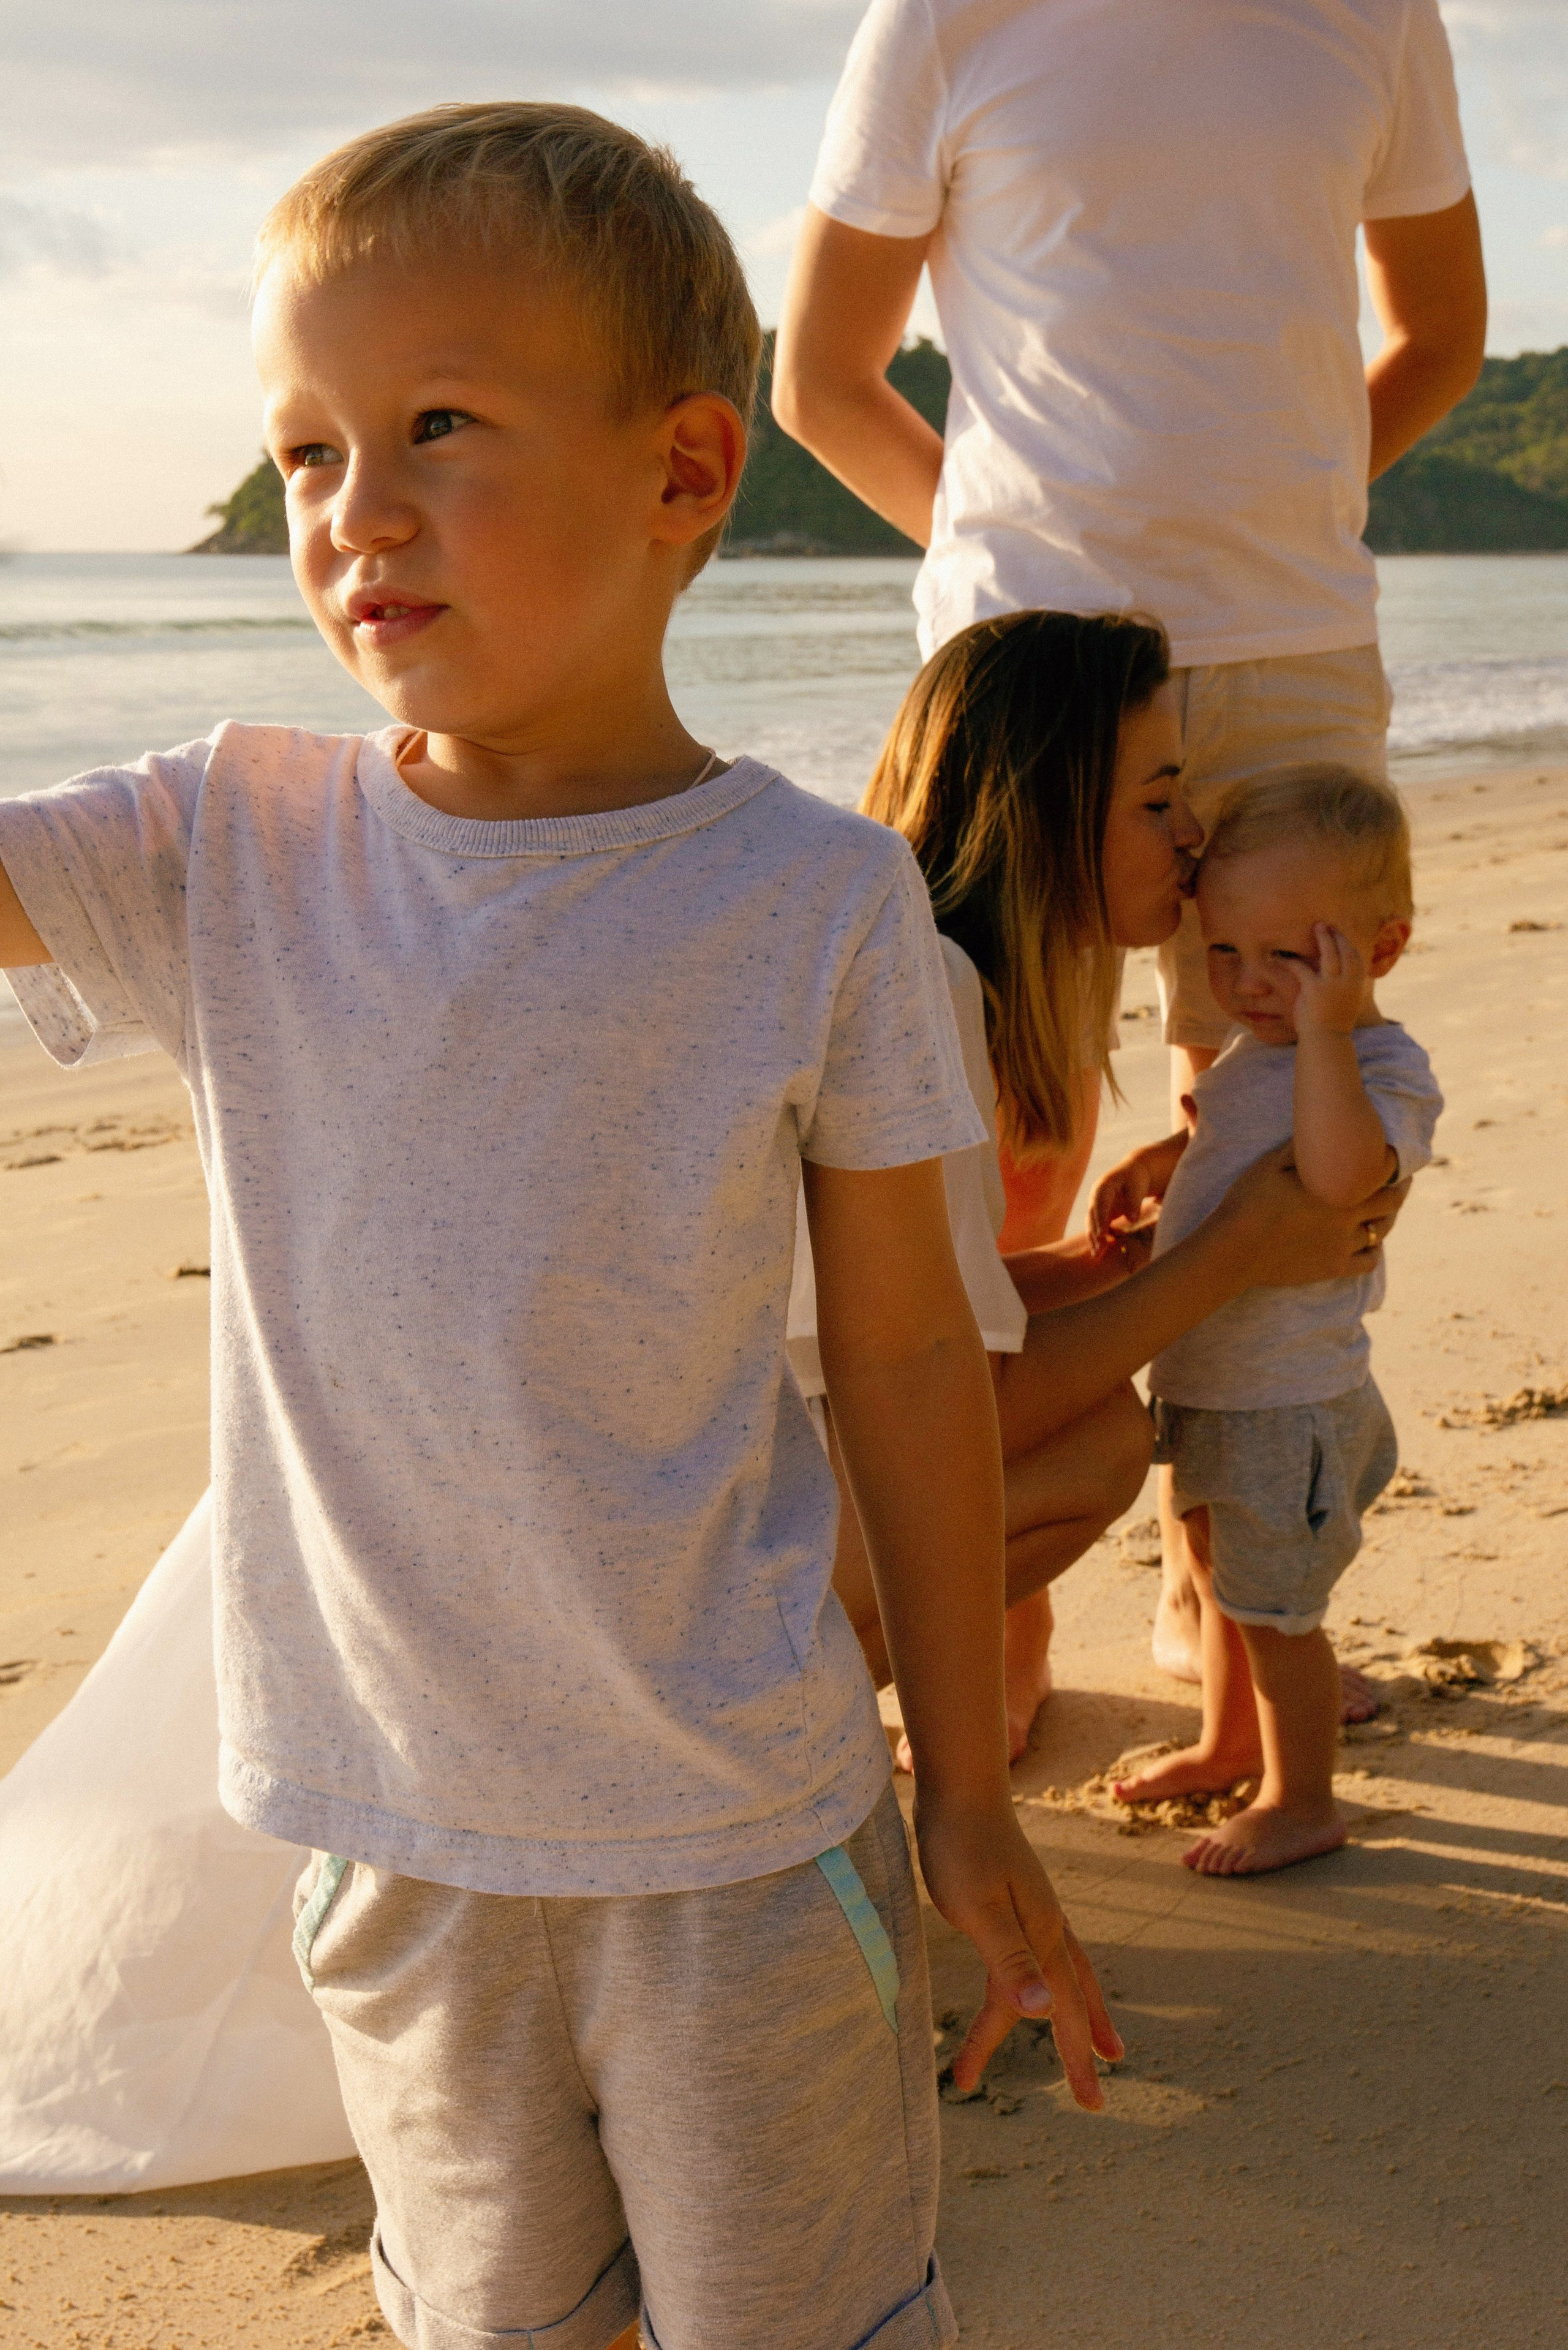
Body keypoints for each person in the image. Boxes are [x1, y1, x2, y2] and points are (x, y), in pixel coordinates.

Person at [0, 102, 1125, 2350]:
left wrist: (972, 1798)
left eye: (438, 424)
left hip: (744, 1844)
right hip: (390, 1837)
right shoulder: (237, 836)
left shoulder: (813, 898)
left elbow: (908, 1356)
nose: (355, 512)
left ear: (689, 472)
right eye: (305, 449)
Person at [772, 0, 1485, 1692]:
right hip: (1042, 655)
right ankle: (986, 1611)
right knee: (1000, 1101)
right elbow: (819, 380)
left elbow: (1441, 335)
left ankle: (1222, 1584)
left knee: (1260, 1102)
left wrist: (1291, 511)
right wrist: (1026, 571)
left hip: (1295, 646)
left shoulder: (1380, 14)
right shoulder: (945, 16)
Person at [786, 611, 1415, 1760]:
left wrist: (1094, 1263)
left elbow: (871, 1323)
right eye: (1157, 799)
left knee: (1087, 1395)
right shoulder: (922, 1000)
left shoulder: (893, 949)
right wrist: (1234, 1250)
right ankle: (780, 1735)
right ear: (1045, 807)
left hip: (699, 1474)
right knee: (1100, 1447)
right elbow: (935, 1398)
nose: (1193, 833)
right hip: (697, 1538)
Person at [1093, 768, 1441, 1872]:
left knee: (1279, 1614)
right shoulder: (1273, 1047)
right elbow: (1233, 1135)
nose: (1246, 985)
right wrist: (1167, 1161)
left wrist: (1330, 1034)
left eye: (1287, 957)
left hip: (1290, 1402)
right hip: (1222, 1384)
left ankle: (1301, 1795)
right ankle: (1228, 1738)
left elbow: (1340, 1179)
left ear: (1376, 953)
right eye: (1222, 952)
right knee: (1211, 1575)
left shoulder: (1377, 1066)